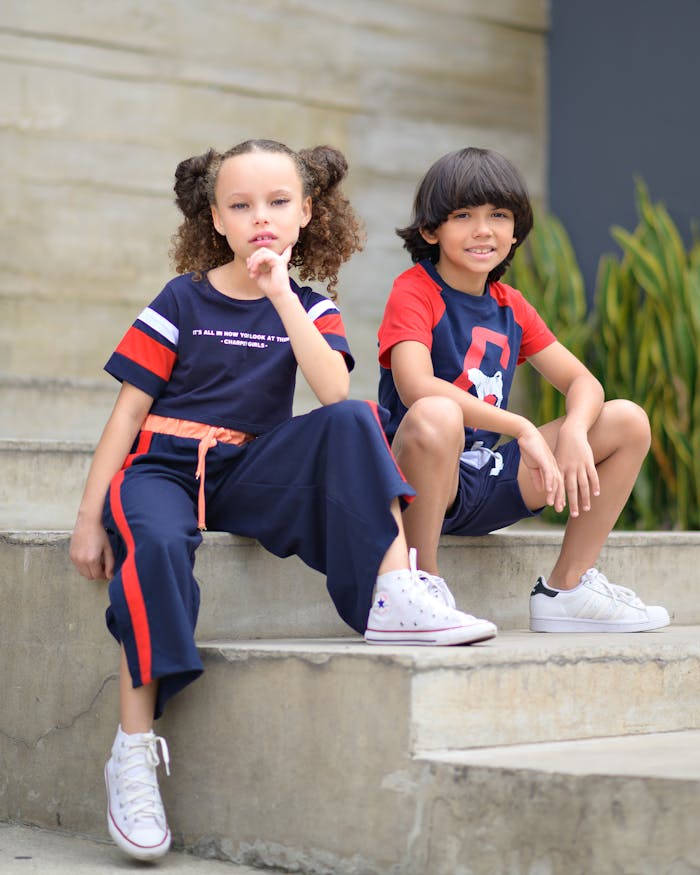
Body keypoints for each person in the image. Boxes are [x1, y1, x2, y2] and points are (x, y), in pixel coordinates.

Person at [69, 139, 497, 862]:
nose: (259, 218)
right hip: (164, 468)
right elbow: (126, 413)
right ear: (216, 218)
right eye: (240, 205)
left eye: (276, 203)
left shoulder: (309, 306)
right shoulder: (182, 298)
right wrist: (88, 517)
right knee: (157, 546)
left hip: (246, 466)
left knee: (355, 418)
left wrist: (278, 294)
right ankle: (134, 751)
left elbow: (332, 390)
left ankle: (394, 590)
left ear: (306, 213)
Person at [377, 146, 670, 638]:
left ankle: (567, 590)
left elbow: (583, 382)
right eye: (463, 216)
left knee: (626, 420)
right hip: (421, 482)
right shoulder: (415, 289)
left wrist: (574, 430)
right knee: (436, 412)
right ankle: (418, 588)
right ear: (431, 230)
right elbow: (415, 385)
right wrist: (521, 428)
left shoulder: (510, 305)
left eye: (499, 215)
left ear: (516, 231)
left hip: (483, 481)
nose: (483, 230)